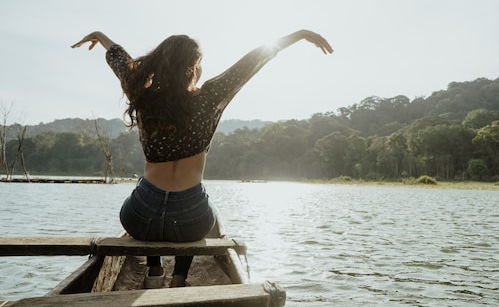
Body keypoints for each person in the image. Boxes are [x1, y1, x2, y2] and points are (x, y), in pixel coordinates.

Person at [71, 29, 333, 288]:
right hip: (190, 221)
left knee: (145, 191)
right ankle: (179, 278)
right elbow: (251, 62)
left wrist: (101, 37)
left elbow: (122, 63)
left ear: (159, 63)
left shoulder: (143, 96)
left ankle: (154, 268)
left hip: (140, 218)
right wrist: (297, 35)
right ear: (193, 66)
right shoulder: (210, 97)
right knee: (209, 210)